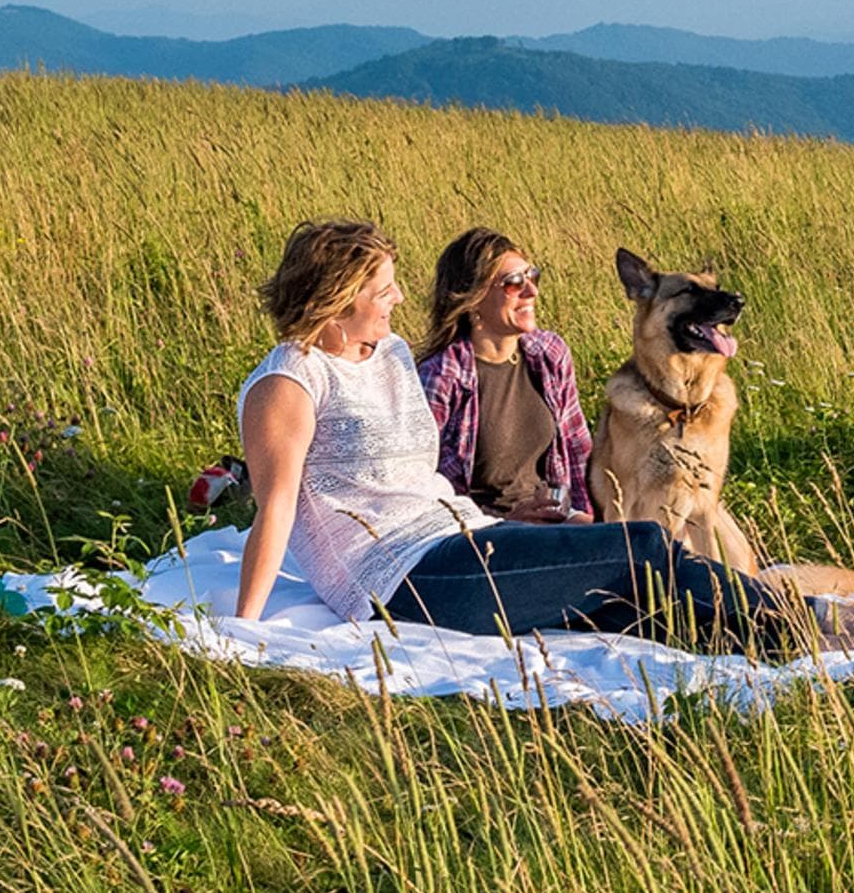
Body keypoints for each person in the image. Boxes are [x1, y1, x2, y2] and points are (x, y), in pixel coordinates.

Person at [229, 219, 819, 655]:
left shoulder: (389, 354)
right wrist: (243, 631)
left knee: (638, 604)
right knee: (638, 546)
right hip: (402, 577)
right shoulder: (290, 379)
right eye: (384, 291)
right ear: (337, 295)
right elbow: (276, 506)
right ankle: (821, 624)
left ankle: (792, 639)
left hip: (464, 537)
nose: (400, 300)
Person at [411, 227, 593, 522]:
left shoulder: (549, 354)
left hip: (555, 519)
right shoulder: (443, 375)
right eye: (514, 283)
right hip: (482, 530)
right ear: (474, 298)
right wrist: (506, 521)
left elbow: (578, 450)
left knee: (643, 541)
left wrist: (593, 523)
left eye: (532, 277)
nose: (532, 291)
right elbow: (422, 486)